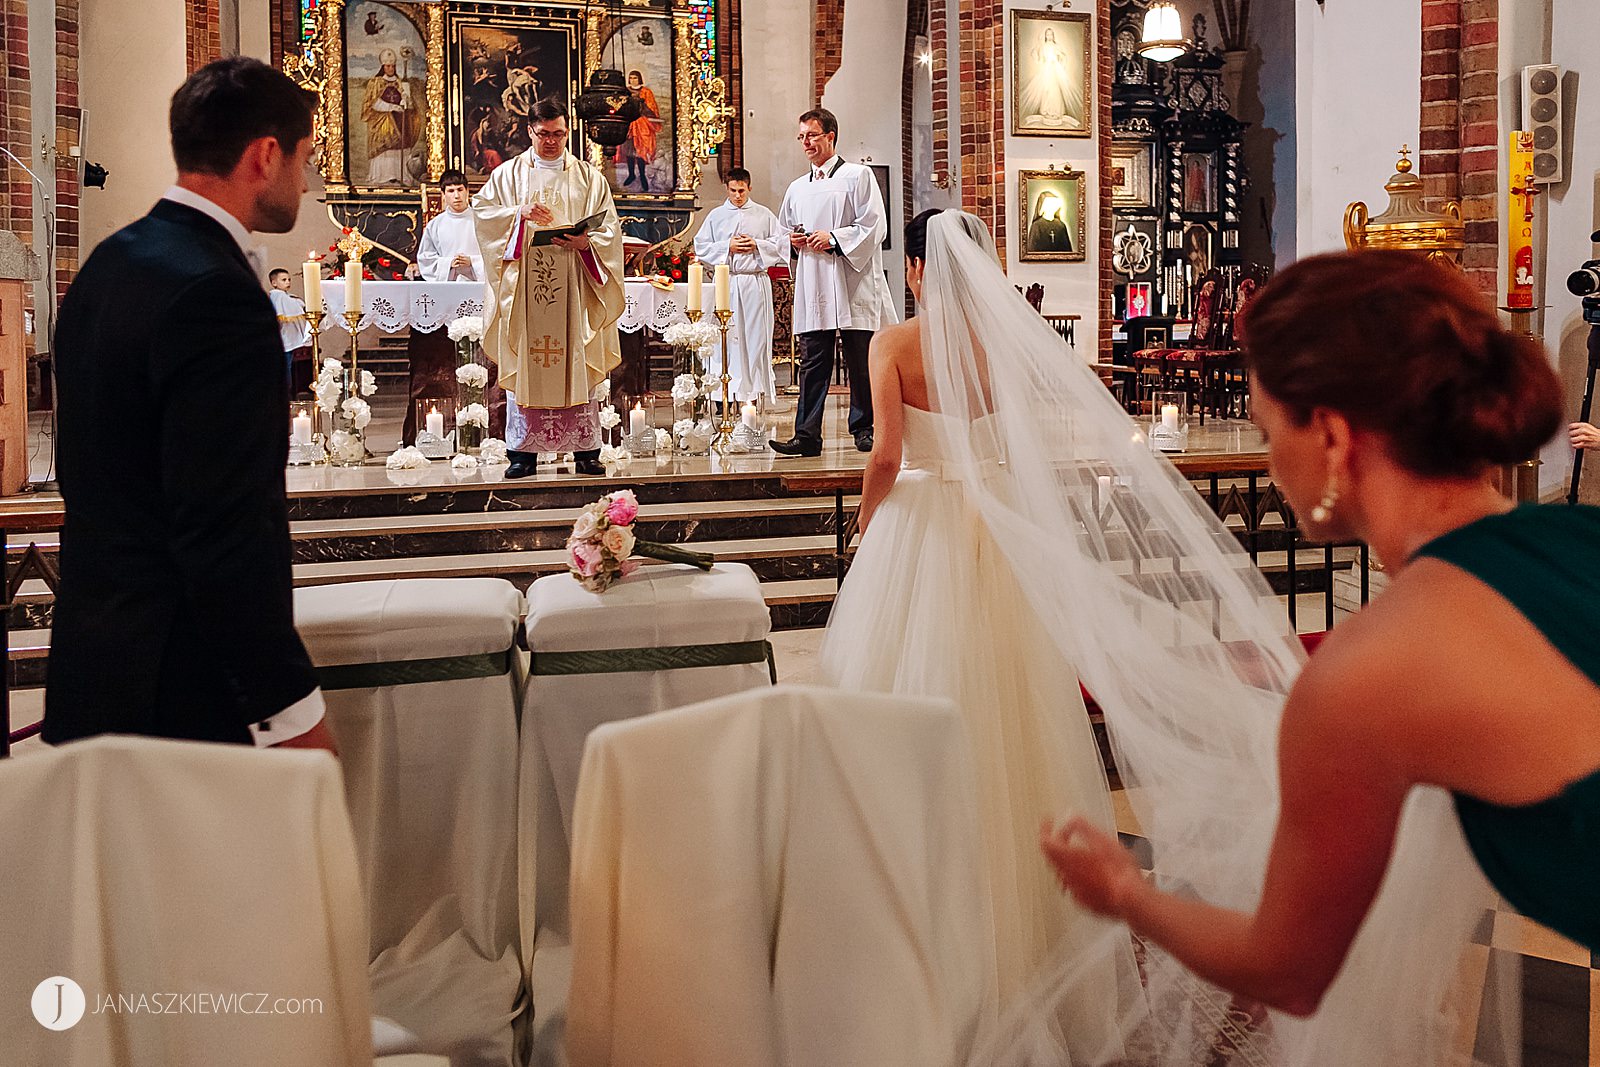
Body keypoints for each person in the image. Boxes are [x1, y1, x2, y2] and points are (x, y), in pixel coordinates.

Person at [1030, 249, 1573, 1063]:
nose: (1269, 456)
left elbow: (1288, 972)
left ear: (1329, 433)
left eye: (1265, 424)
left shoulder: (1372, 666)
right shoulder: (1576, 539)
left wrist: (1122, 890)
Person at [820, 209, 1130, 1053]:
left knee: (904, 706)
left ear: (917, 269)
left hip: (920, 526)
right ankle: (1025, 943)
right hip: (999, 532)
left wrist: (866, 523)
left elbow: (886, 454)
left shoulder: (893, 342)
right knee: (1013, 723)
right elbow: (1026, 446)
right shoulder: (1011, 342)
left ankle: (912, 925)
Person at [46, 57, 333, 751]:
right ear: (265, 155)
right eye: (304, 159)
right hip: (182, 696)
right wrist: (289, 712)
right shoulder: (217, 296)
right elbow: (223, 529)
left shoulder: (109, 264)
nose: (305, 179)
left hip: (94, 669)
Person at [473, 98, 624, 478]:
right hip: (525, 286)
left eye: (559, 134)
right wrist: (518, 216)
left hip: (574, 283)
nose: (552, 142)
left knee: (576, 356)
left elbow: (609, 231)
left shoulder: (590, 178)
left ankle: (586, 450)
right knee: (528, 359)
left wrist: (586, 243)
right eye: (544, 135)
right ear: (530, 132)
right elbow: (485, 218)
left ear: (567, 132)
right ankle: (522, 452)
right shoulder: (507, 176)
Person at [773, 108, 896, 456]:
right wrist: (792, 242)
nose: (805, 143)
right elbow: (784, 231)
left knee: (860, 359)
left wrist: (835, 239)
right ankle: (807, 435)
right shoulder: (797, 188)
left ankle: (864, 427)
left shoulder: (858, 176)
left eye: (811, 135)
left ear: (831, 136)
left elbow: (874, 226)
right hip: (815, 282)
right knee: (813, 361)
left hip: (851, 279)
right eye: (801, 137)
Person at [406, 168, 501, 444]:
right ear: (443, 194)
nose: (456, 195)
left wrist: (473, 264)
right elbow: (426, 259)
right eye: (450, 190)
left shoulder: (482, 221)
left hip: (478, 293)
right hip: (448, 294)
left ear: (468, 191)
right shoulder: (435, 225)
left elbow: (493, 254)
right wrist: (449, 263)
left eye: (461, 189)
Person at [691, 167, 785, 403]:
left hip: (754, 281)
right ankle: (724, 390)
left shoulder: (764, 215)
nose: (737, 196)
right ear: (727, 188)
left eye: (741, 190)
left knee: (755, 335)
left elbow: (781, 245)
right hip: (727, 281)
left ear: (749, 188)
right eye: (733, 190)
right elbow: (701, 247)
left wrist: (757, 245)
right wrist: (727, 247)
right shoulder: (716, 216)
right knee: (728, 336)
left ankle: (752, 391)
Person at [361, 47, 419, 185]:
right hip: (383, 121)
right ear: (383, 66)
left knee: (400, 147)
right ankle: (382, 176)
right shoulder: (376, 82)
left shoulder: (400, 81)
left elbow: (407, 100)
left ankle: (401, 176)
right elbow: (372, 102)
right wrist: (390, 107)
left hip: (400, 119)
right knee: (386, 147)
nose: (391, 68)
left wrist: (406, 100)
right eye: (388, 66)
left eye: (393, 66)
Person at [268, 266, 312, 396]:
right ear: (274, 283)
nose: (288, 282)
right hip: (282, 339)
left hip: (288, 339)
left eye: (289, 279)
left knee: (287, 367)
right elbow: (280, 316)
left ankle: (287, 393)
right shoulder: (278, 297)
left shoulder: (287, 297)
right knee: (284, 369)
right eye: (283, 280)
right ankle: (285, 394)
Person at [620, 70, 661, 193]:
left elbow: (651, 108)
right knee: (629, 151)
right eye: (631, 78)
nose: (633, 80)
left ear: (639, 79)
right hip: (629, 126)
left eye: (635, 78)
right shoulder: (625, 91)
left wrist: (640, 106)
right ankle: (631, 174)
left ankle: (642, 175)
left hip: (642, 125)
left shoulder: (646, 92)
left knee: (640, 152)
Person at [1026, 189, 1073, 254]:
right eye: (1050, 205)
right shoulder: (1037, 226)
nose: (1052, 207)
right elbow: (1033, 250)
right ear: (1043, 207)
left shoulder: (1061, 226)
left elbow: (1067, 251)